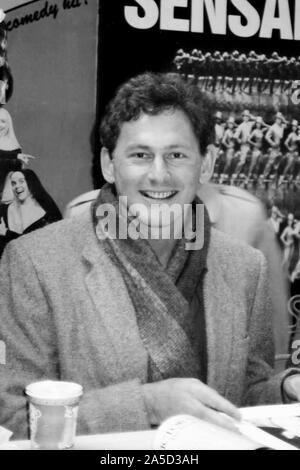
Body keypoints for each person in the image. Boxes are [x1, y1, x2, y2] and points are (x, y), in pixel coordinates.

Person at [1, 72, 300, 440]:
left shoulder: (243, 265)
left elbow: (245, 395)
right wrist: (147, 405)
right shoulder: (37, 262)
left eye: (176, 155)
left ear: (205, 165)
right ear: (109, 164)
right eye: (140, 155)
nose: (159, 175)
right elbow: (13, 417)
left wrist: (285, 389)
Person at [0, 169, 62, 257]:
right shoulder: (3, 210)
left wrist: (6, 233)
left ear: (31, 183)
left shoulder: (48, 213)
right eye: (13, 183)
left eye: (21, 181)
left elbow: (36, 247)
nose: (17, 186)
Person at [0, 107, 35, 199]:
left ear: (8, 124)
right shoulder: (16, 154)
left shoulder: (14, 147)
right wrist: (16, 156)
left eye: (3, 121)